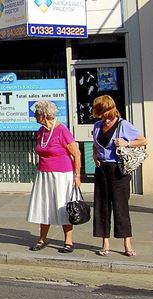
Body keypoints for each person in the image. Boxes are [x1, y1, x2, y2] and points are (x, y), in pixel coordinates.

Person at [91, 95, 146, 257]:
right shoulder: (97, 125)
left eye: (105, 115)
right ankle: (105, 242)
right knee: (101, 206)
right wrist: (95, 155)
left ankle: (127, 242)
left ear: (111, 110)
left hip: (118, 170)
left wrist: (126, 143)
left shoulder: (123, 125)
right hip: (102, 169)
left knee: (120, 206)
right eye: (100, 115)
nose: (104, 119)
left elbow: (143, 140)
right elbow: (96, 144)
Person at [26, 99, 80, 253]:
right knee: (44, 206)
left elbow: (76, 153)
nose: (34, 116)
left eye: (36, 113)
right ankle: (42, 238)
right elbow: (41, 150)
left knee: (63, 206)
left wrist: (77, 176)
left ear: (43, 115)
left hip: (62, 175)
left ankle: (68, 241)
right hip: (44, 174)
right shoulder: (42, 131)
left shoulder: (62, 130)